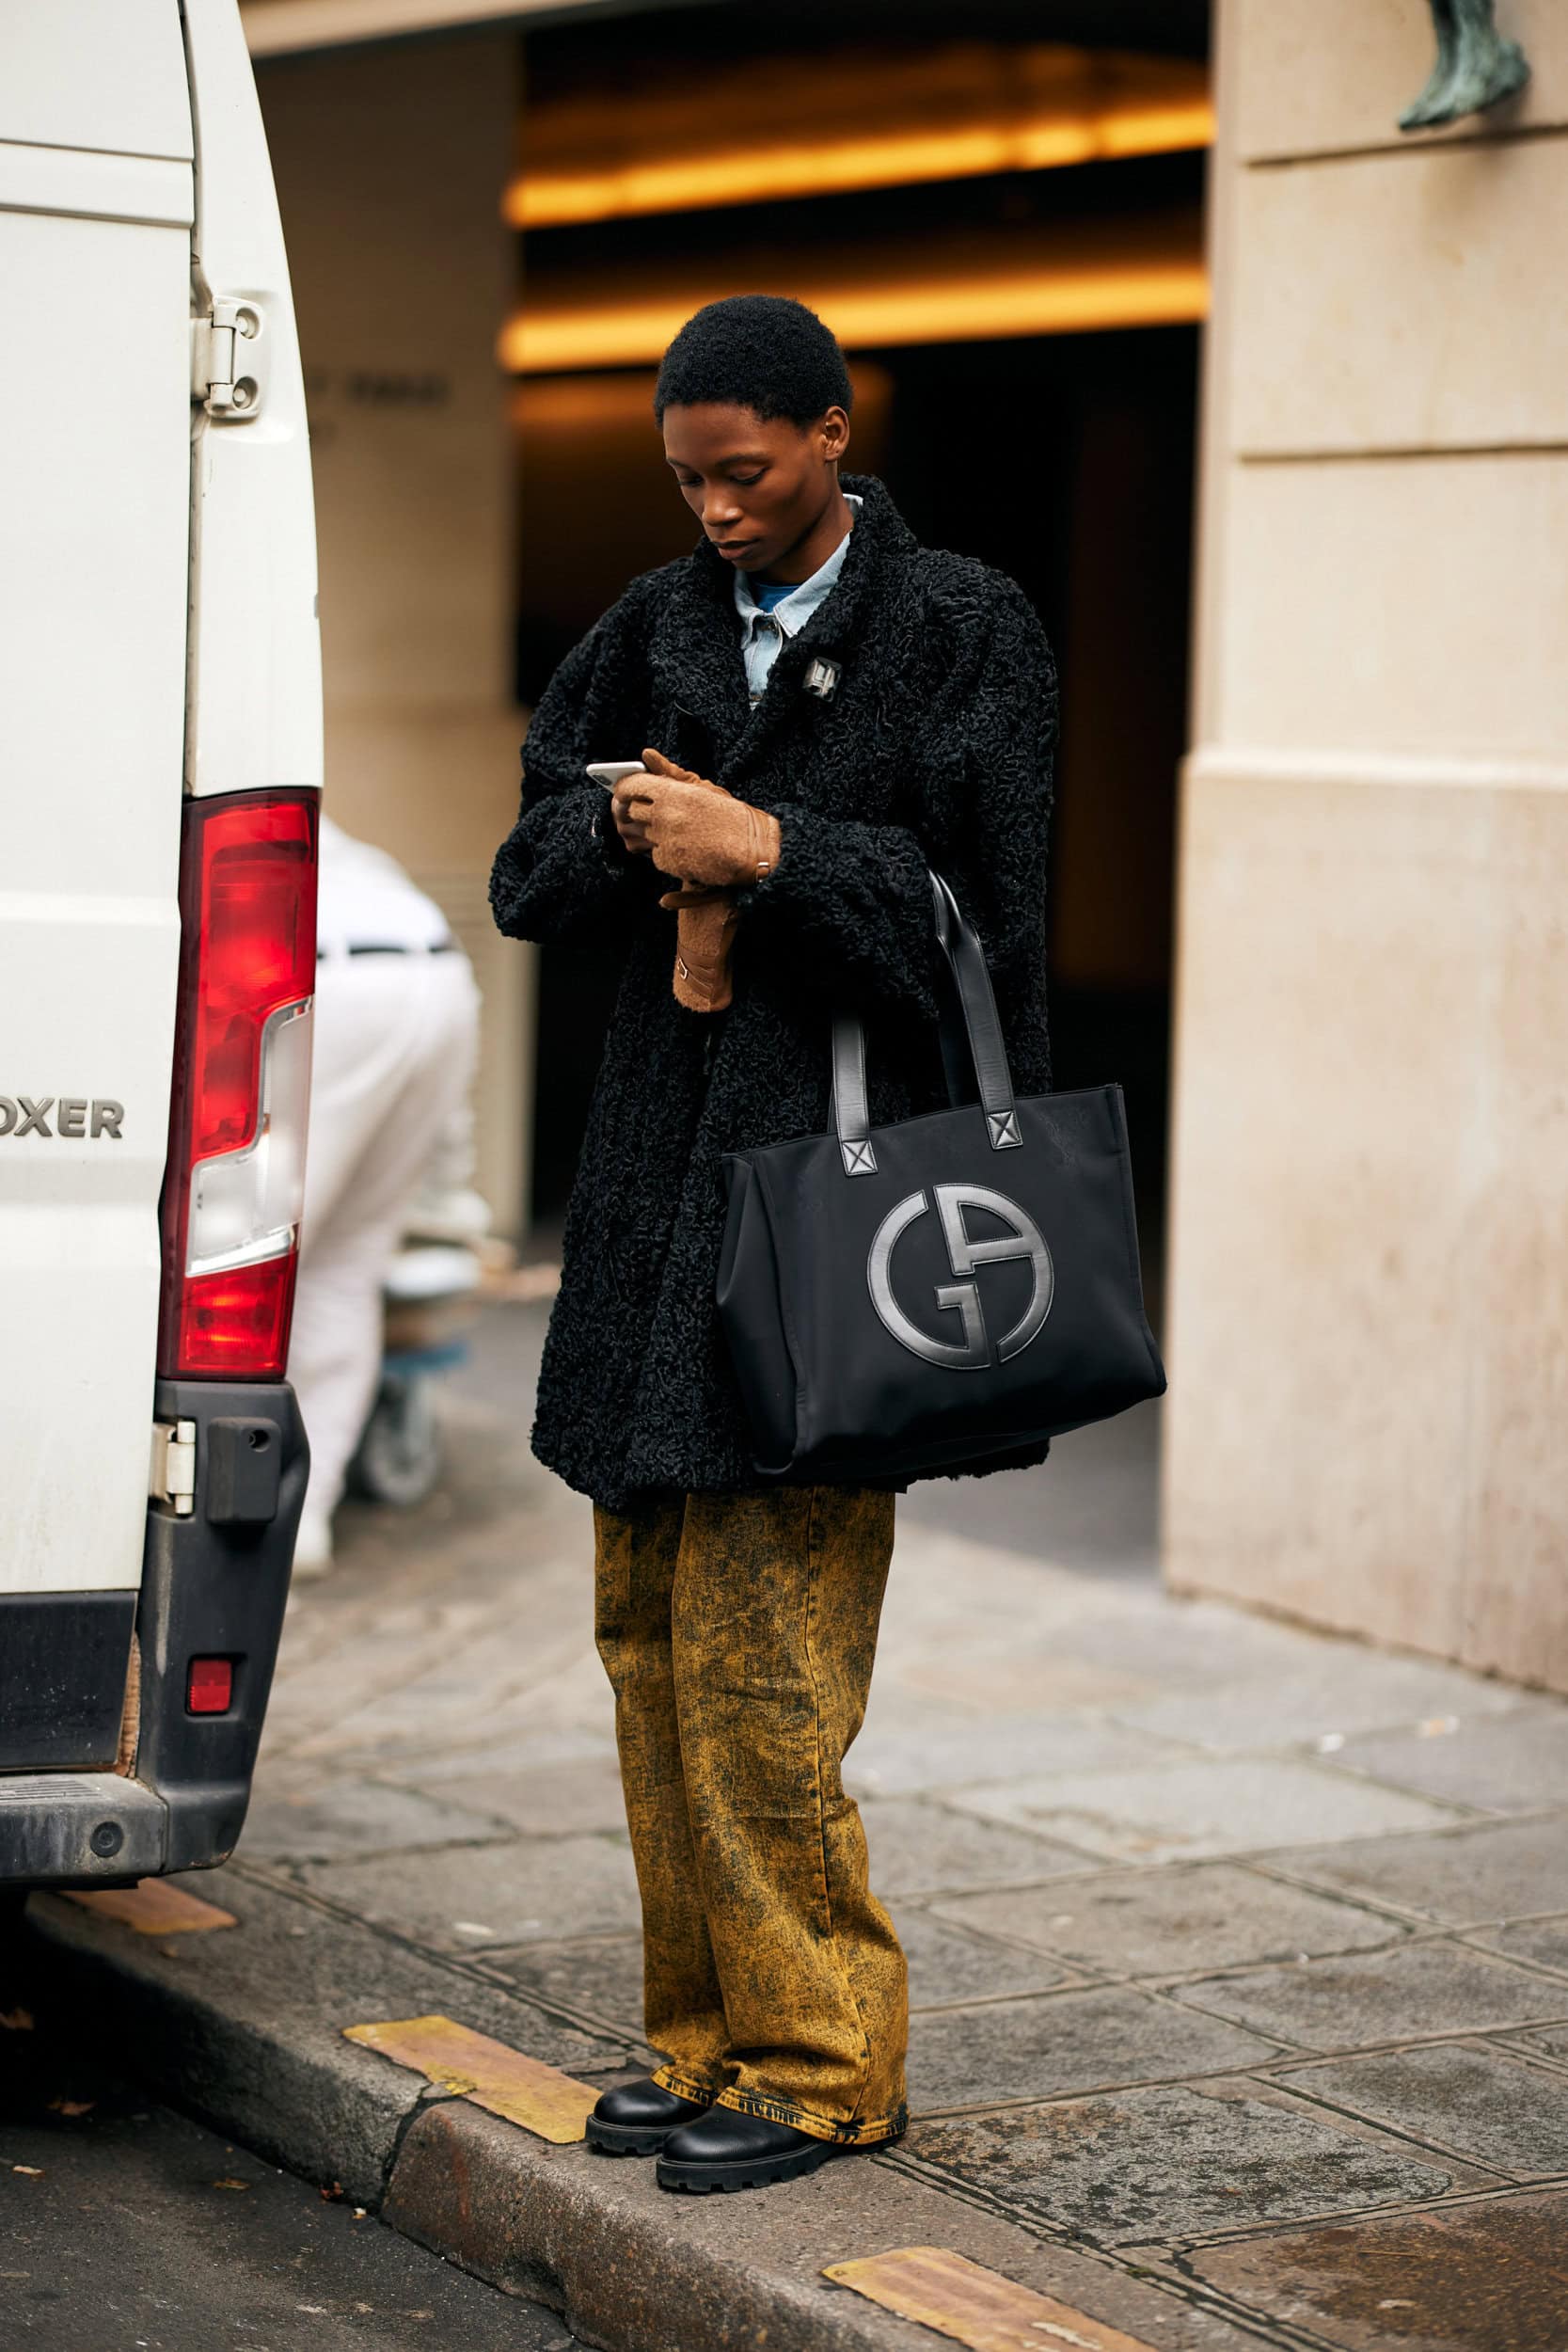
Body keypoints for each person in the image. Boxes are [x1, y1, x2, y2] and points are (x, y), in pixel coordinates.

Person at [490, 295, 1055, 2194]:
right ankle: (697, 2034)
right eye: (685, 479)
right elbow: (521, 870)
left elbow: (987, 924)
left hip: (820, 1224)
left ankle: (821, 2061)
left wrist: (774, 851)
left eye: (742, 471)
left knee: (763, 1669)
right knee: (645, 1645)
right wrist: (641, 836)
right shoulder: (651, 624)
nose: (712, 509)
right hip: (652, 1210)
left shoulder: (961, 626)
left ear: (827, 435)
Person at [289, 818, 480, 1576]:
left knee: (254, 1257)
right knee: (344, 1265)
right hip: (436, 973)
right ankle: (303, 1520)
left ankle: (222, 1512)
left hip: (326, 977)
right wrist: (451, 1207)